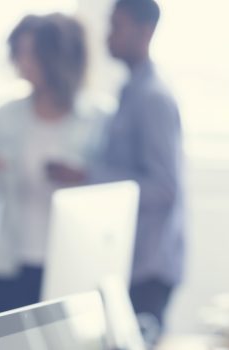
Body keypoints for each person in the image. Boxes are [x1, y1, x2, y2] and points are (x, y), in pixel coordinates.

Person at [49, 0, 185, 333]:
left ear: (145, 31)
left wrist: (88, 177)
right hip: (125, 259)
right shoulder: (129, 92)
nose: (109, 36)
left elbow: (164, 188)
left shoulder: (154, 98)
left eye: (116, 27)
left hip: (148, 267)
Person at [0, 14, 104, 313]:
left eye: (32, 53)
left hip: (70, 261)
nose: (24, 62)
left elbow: (106, 191)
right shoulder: (5, 116)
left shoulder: (97, 120)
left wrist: (79, 177)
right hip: (11, 260)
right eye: (20, 52)